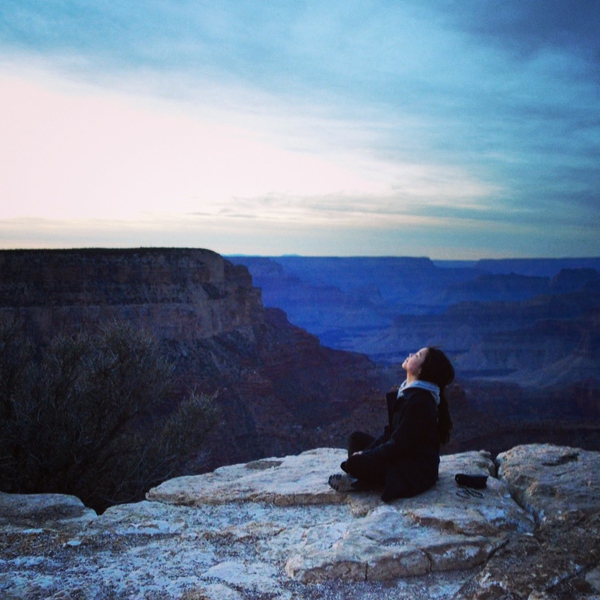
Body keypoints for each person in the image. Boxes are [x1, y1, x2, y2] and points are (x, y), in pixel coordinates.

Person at [328, 346, 455, 502]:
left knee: (355, 462)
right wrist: (366, 453)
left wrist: (365, 456)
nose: (411, 354)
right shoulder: (409, 393)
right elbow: (390, 433)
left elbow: (397, 445)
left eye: (417, 355)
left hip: (413, 471)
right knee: (356, 439)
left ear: (422, 370)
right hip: (403, 457)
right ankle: (362, 479)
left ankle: (362, 482)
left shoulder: (420, 403)